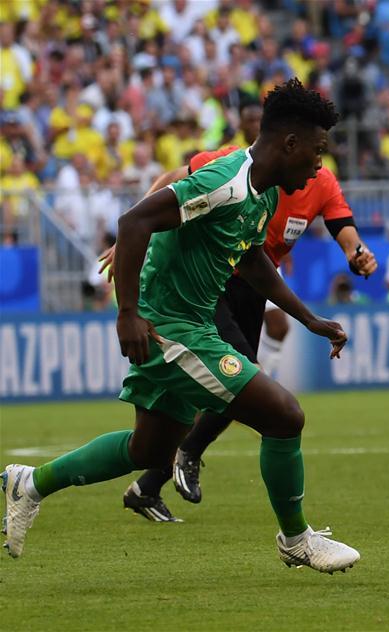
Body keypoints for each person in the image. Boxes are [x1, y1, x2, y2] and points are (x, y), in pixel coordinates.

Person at [3, 79, 361, 573]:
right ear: (290, 144)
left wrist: (310, 319)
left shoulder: (263, 195)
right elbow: (133, 223)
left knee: (148, 447)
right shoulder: (224, 180)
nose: (321, 165)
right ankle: (296, 539)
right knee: (284, 415)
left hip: (187, 321)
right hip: (165, 324)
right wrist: (128, 313)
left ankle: (31, 482)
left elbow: (253, 261)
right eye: (318, 151)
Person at [99, 113, 377, 523]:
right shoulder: (232, 165)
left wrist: (356, 254)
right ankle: (191, 455)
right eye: (315, 152)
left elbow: (340, 224)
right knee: (246, 382)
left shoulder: (316, 181)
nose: (318, 162)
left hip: (255, 279)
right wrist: (128, 237)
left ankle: (146, 483)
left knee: (208, 399)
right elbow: (175, 181)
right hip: (213, 278)